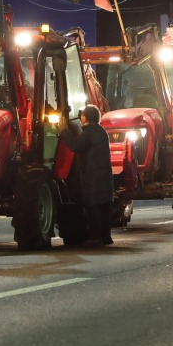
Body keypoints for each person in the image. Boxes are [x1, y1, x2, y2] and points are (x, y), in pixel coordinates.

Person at [60, 104, 114, 245]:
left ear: (86, 117)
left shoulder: (88, 132)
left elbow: (76, 146)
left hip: (92, 176)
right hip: (105, 176)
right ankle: (106, 237)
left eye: (82, 114)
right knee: (105, 208)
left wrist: (64, 131)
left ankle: (95, 237)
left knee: (93, 206)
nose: (81, 116)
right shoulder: (102, 131)